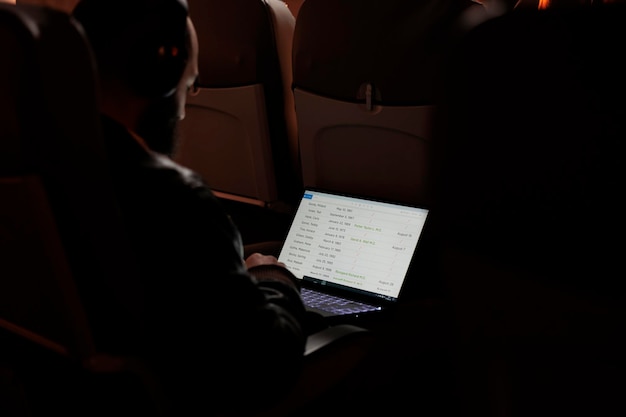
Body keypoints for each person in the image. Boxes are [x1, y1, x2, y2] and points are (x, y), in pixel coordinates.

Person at [71, 0, 311, 413]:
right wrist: (272, 278)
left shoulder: (48, 167)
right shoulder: (170, 198)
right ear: (160, 75)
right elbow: (268, 362)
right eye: (189, 86)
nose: (184, 106)